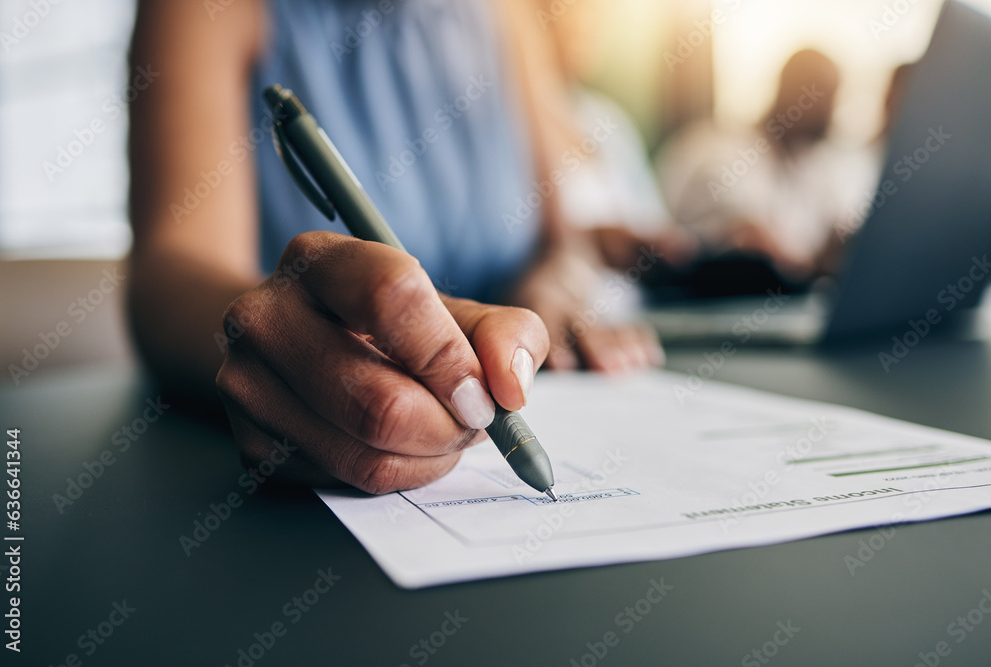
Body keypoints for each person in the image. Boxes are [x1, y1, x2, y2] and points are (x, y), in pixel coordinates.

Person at [127, 0, 660, 495]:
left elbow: (560, 243)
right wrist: (278, 338)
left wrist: (550, 286)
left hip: (537, 395)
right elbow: (169, 275)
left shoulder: (508, 10)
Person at [658, 49, 875, 282]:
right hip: (711, 298)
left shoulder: (816, 164)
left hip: (783, 298)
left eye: (832, 98)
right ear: (790, 91)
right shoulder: (724, 148)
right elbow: (750, 235)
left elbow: (836, 234)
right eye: (819, 95)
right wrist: (810, 267)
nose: (828, 110)